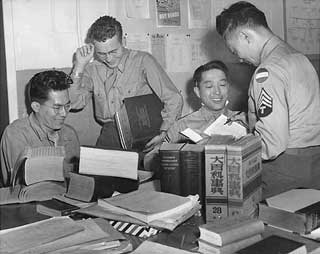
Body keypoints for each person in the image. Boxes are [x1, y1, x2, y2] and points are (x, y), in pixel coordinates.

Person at [216, 1, 320, 198]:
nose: (239, 58)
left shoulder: (267, 71)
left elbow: (272, 144)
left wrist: (232, 149)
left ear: (245, 36)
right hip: (314, 164)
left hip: (286, 170)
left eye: (234, 50)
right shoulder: (299, 57)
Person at [69, 15, 183, 151]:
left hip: (144, 133)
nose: (109, 59)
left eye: (113, 51)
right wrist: (79, 66)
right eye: (102, 54)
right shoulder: (92, 69)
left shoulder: (143, 61)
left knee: (144, 170)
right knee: (95, 169)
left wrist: (164, 132)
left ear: (123, 40)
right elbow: (74, 103)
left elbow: (174, 98)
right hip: (110, 133)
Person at [0, 70, 80, 203]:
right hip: (28, 206)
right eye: (57, 107)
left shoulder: (69, 133)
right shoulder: (15, 134)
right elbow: (22, 190)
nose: (64, 113)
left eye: (67, 105)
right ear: (36, 106)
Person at [165, 60, 246, 144]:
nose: (217, 92)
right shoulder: (181, 127)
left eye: (222, 85)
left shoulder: (243, 120)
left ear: (228, 87)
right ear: (197, 92)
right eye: (209, 86)